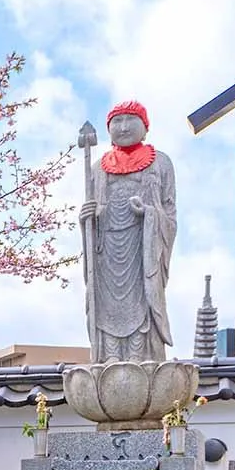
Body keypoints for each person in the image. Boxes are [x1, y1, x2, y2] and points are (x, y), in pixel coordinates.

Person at [78, 100, 177, 363]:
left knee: (141, 304)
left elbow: (169, 214)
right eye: (117, 121)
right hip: (106, 251)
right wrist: (87, 218)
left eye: (130, 120)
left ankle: (139, 357)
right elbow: (91, 216)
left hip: (142, 247)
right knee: (106, 307)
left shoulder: (160, 163)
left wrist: (150, 214)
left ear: (145, 127)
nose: (123, 127)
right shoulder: (97, 169)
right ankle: (109, 359)